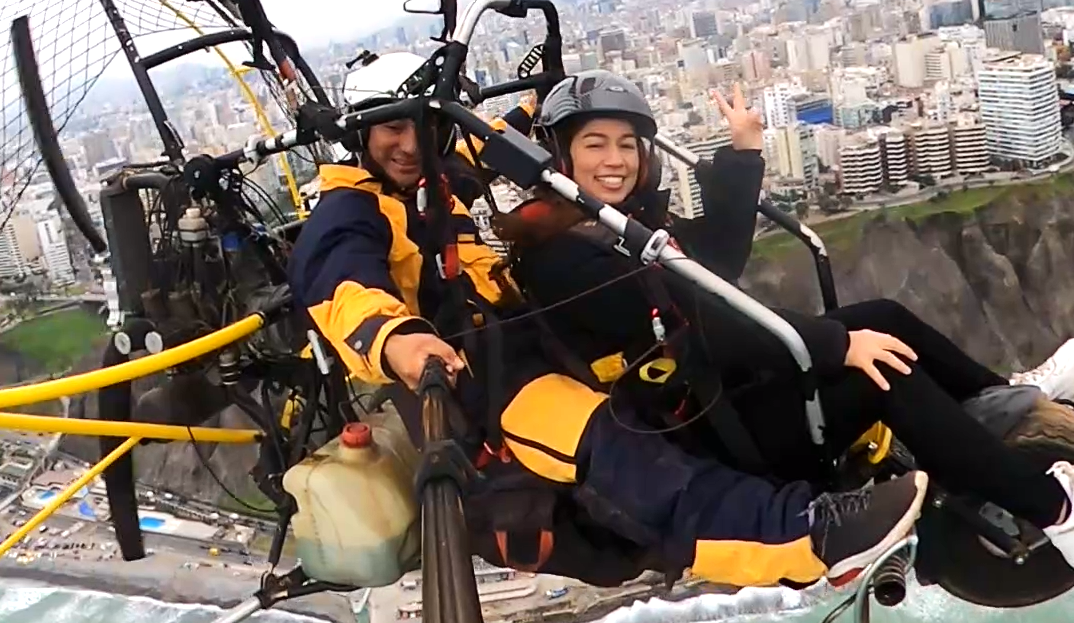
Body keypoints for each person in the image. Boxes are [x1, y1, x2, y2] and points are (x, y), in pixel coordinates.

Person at [287, 51, 929, 591]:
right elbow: (341, 286)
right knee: (613, 445)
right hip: (486, 377)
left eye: (421, 128)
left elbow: (484, 149)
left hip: (531, 338)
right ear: (361, 138)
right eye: (391, 131)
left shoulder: (432, 182)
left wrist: (542, 97)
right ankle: (803, 537)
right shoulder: (350, 210)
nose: (409, 145)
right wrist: (397, 340)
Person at [494, 70, 1074, 572]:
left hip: (714, 395)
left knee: (880, 318)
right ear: (561, 156)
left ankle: (1001, 397)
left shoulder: (612, 226)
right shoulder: (561, 258)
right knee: (877, 369)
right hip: (708, 434)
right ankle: (1060, 510)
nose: (614, 161)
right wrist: (834, 346)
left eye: (625, 145)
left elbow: (714, 263)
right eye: (594, 146)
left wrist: (744, 152)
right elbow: (707, 321)